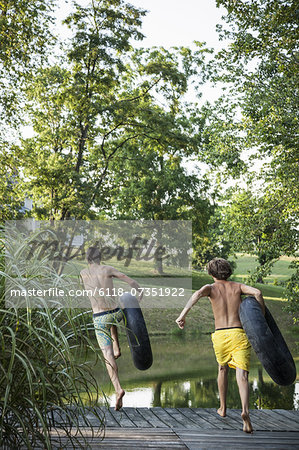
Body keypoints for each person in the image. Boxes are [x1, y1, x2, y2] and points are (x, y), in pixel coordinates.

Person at [175, 257, 265, 433]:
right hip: (239, 333)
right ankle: (245, 412)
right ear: (228, 271)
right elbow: (258, 293)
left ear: (210, 273)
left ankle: (222, 408)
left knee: (222, 369)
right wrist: (259, 318)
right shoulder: (238, 286)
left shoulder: (211, 288)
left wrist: (183, 315)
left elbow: (197, 294)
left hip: (221, 335)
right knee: (243, 375)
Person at [80, 246, 142, 410]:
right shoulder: (108, 269)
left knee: (107, 355)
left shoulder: (83, 273)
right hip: (116, 314)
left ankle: (118, 389)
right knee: (113, 318)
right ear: (100, 258)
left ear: (87, 259)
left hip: (100, 317)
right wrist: (139, 291)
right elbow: (131, 281)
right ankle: (117, 347)